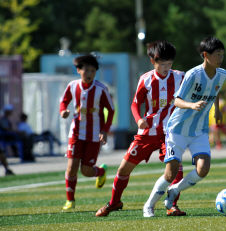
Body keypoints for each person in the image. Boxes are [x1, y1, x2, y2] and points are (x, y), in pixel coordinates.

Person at [96, 40, 187, 217]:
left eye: (170, 64)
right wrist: (138, 120)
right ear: (153, 61)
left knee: (176, 169)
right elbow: (135, 104)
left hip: (169, 133)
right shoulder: (145, 79)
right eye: (163, 64)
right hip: (147, 133)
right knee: (123, 169)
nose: (167, 68)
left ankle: (172, 205)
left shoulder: (180, 77)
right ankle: (115, 202)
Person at [142, 36, 226, 217]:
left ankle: (174, 192)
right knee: (170, 173)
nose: (220, 58)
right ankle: (149, 205)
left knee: (203, 169)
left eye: (222, 54)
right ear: (205, 55)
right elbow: (177, 100)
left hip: (199, 130)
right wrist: (192, 105)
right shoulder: (193, 74)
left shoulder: (222, 74)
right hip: (178, 129)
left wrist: (217, 110)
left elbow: (216, 90)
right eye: (217, 55)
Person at [59, 54, 115, 210]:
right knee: (71, 168)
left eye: (92, 71)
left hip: (93, 135)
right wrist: (63, 110)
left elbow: (110, 110)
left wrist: (104, 130)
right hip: (76, 133)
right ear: (78, 70)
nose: (89, 74)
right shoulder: (72, 86)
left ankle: (100, 171)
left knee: (86, 171)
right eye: (86, 70)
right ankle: (70, 200)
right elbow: (63, 101)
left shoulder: (101, 89)